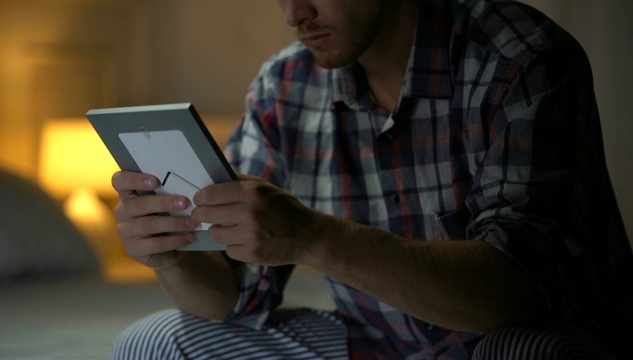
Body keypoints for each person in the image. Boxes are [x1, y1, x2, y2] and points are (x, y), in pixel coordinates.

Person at [111, 0, 633, 358]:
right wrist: (172, 256)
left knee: (524, 352)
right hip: (373, 342)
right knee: (154, 342)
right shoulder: (284, 83)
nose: (295, 13)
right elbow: (235, 301)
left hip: (515, 340)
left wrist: (313, 236)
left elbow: (515, 295)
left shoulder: (522, 59)